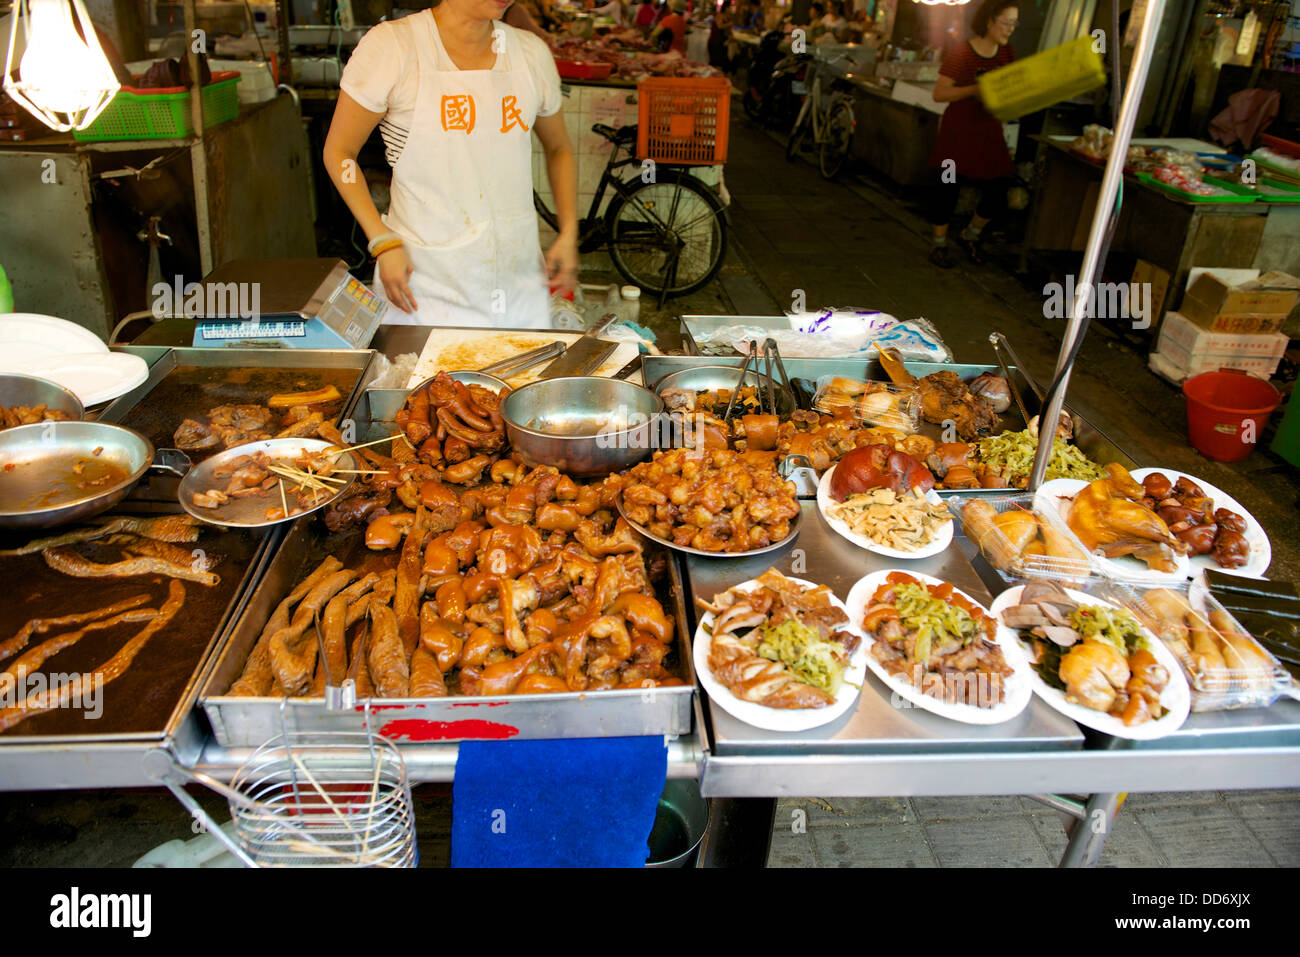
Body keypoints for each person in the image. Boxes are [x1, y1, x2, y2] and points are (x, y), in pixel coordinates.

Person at [325, 0, 579, 326]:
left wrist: (568, 231)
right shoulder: (393, 46)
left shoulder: (530, 53)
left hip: (518, 285)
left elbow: (559, 147)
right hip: (426, 287)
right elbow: (339, 152)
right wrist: (381, 240)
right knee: (431, 377)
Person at [925, 0, 1017, 268]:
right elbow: (940, 93)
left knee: (999, 188)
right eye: (1006, 22)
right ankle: (939, 244)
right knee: (947, 187)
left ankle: (971, 234)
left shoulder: (1006, 53)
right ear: (990, 20)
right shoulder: (962, 52)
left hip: (989, 133)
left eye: (1014, 23)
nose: (1010, 29)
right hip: (957, 135)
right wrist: (974, 90)